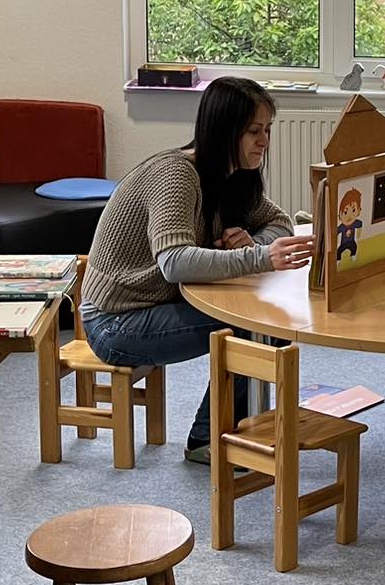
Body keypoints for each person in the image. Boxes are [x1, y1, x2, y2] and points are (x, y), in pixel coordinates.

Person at [81, 76, 312, 462]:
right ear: (224, 130)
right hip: (114, 322)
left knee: (264, 319)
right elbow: (174, 262)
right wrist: (259, 256)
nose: (264, 141)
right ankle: (211, 440)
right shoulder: (176, 175)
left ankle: (239, 428)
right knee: (253, 323)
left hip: (155, 305)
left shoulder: (232, 175)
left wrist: (252, 241)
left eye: (267, 129)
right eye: (254, 131)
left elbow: (280, 222)